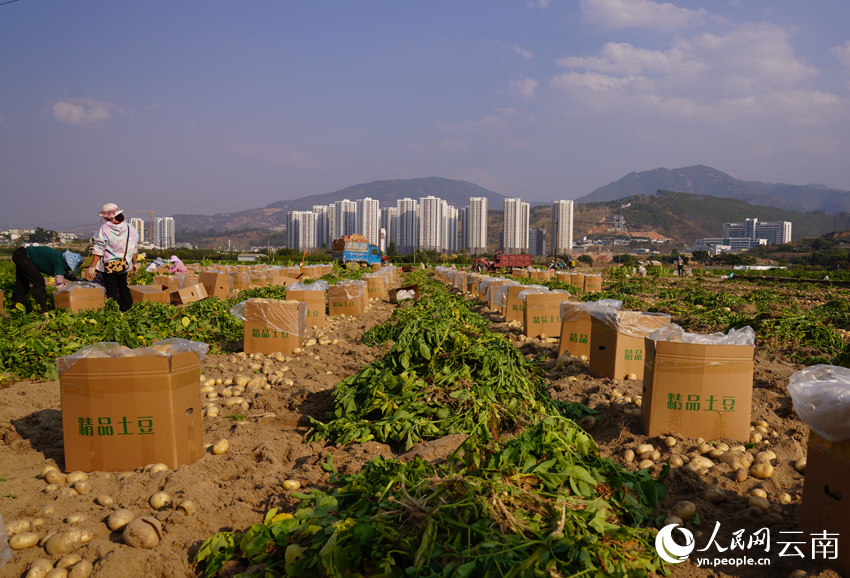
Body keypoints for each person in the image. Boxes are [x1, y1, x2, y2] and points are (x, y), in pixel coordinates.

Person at [87, 203, 139, 312]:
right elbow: (134, 248)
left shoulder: (105, 228)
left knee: (111, 290)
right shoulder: (130, 228)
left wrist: (92, 266)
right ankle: (129, 310)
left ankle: (113, 312)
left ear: (108, 217)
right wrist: (135, 263)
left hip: (108, 266)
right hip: (124, 264)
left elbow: (99, 249)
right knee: (123, 287)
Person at [13, 246, 83, 313]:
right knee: (38, 281)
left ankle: (19, 308)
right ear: (68, 263)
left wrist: (78, 279)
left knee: (22, 282)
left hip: (20, 254)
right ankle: (42, 310)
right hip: (22, 256)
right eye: (70, 267)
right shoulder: (60, 262)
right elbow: (60, 283)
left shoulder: (60, 259)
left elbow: (65, 273)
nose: (69, 269)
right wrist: (65, 299)